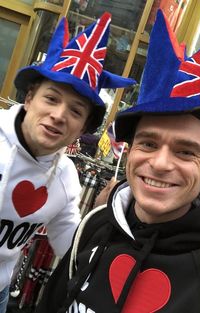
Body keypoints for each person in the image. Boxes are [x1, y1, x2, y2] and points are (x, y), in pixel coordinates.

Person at [35, 10, 200, 313]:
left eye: (185, 151)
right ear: (129, 149)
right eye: (148, 143)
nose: (160, 163)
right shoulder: (94, 225)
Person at [0, 12, 135, 313]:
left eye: (75, 111)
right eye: (51, 98)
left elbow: (73, 247)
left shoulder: (65, 179)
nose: (59, 115)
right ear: (30, 97)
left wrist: (102, 214)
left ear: (84, 128)